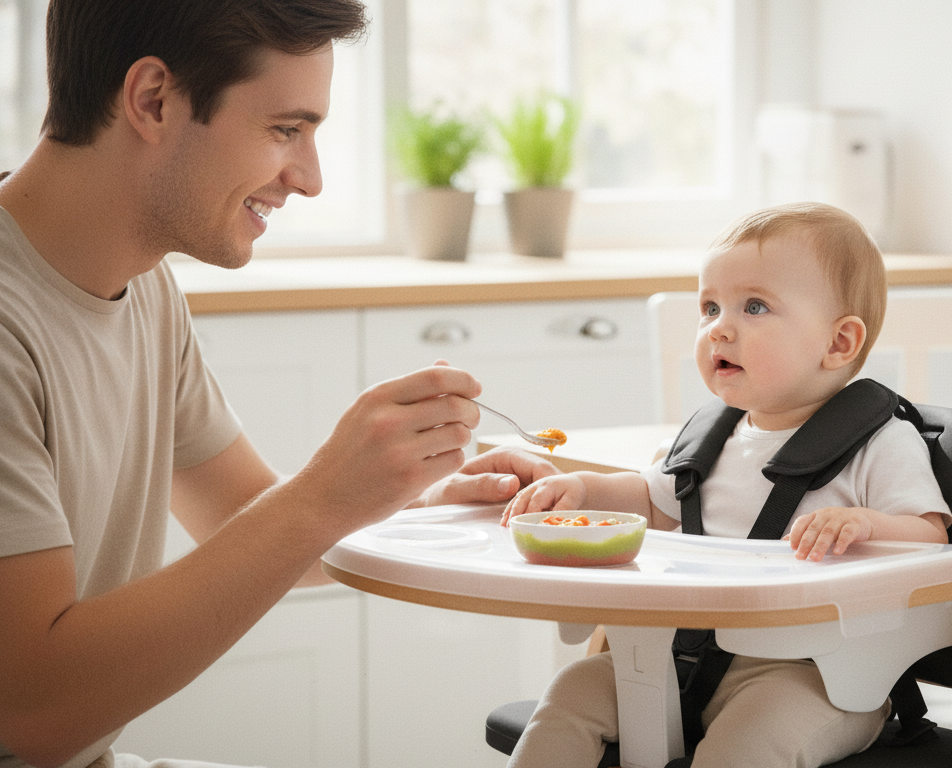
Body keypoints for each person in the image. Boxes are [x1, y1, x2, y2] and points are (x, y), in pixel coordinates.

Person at [0, 2, 557, 767]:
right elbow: (34, 710)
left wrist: (415, 501)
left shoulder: (144, 289)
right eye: (284, 129)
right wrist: (325, 493)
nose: (311, 178)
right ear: (154, 100)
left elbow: (259, 531)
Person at [500, 202, 952, 768]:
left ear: (839, 343)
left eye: (754, 306)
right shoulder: (707, 442)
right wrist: (582, 490)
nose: (720, 326)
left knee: (746, 749)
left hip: (818, 677)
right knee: (570, 694)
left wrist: (866, 525)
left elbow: (930, 538)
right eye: (709, 306)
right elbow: (651, 499)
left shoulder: (880, 442)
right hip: (680, 660)